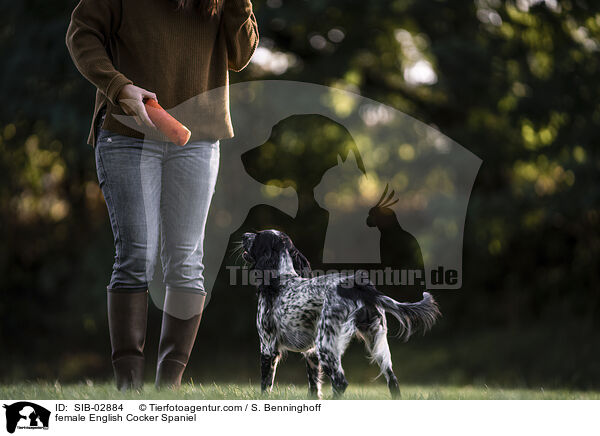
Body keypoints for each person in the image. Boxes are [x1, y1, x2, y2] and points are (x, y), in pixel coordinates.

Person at [65, 0, 258, 391]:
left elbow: (240, 56)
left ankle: (167, 390)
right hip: (128, 134)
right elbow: (81, 33)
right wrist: (118, 86)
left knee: (187, 262)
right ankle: (128, 389)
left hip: (198, 138)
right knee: (138, 255)